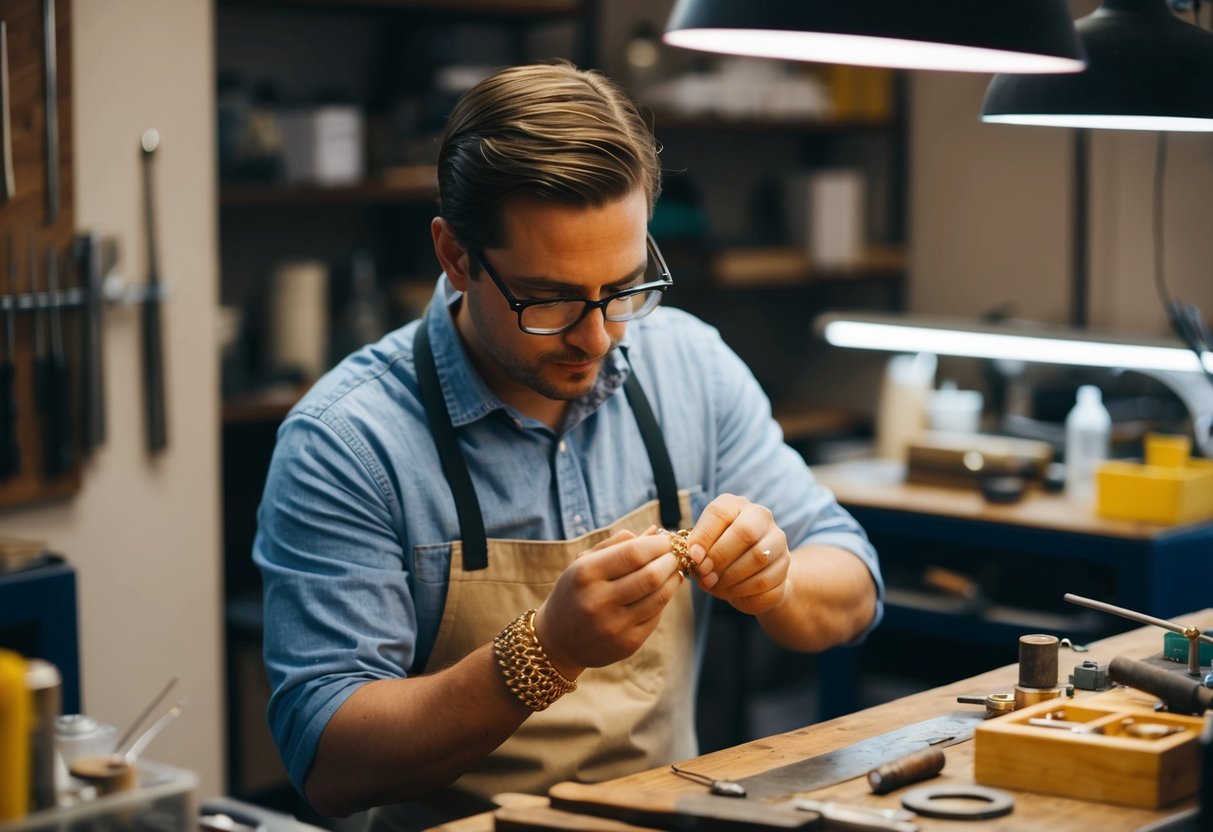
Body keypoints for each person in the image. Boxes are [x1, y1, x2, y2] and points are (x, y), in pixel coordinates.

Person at [254, 61, 884, 829]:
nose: (598, 339)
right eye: (548, 300)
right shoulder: (348, 443)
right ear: (454, 257)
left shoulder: (689, 365)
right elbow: (329, 760)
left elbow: (851, 580)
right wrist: (542, 653)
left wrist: (776, 581)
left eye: (622, 288)